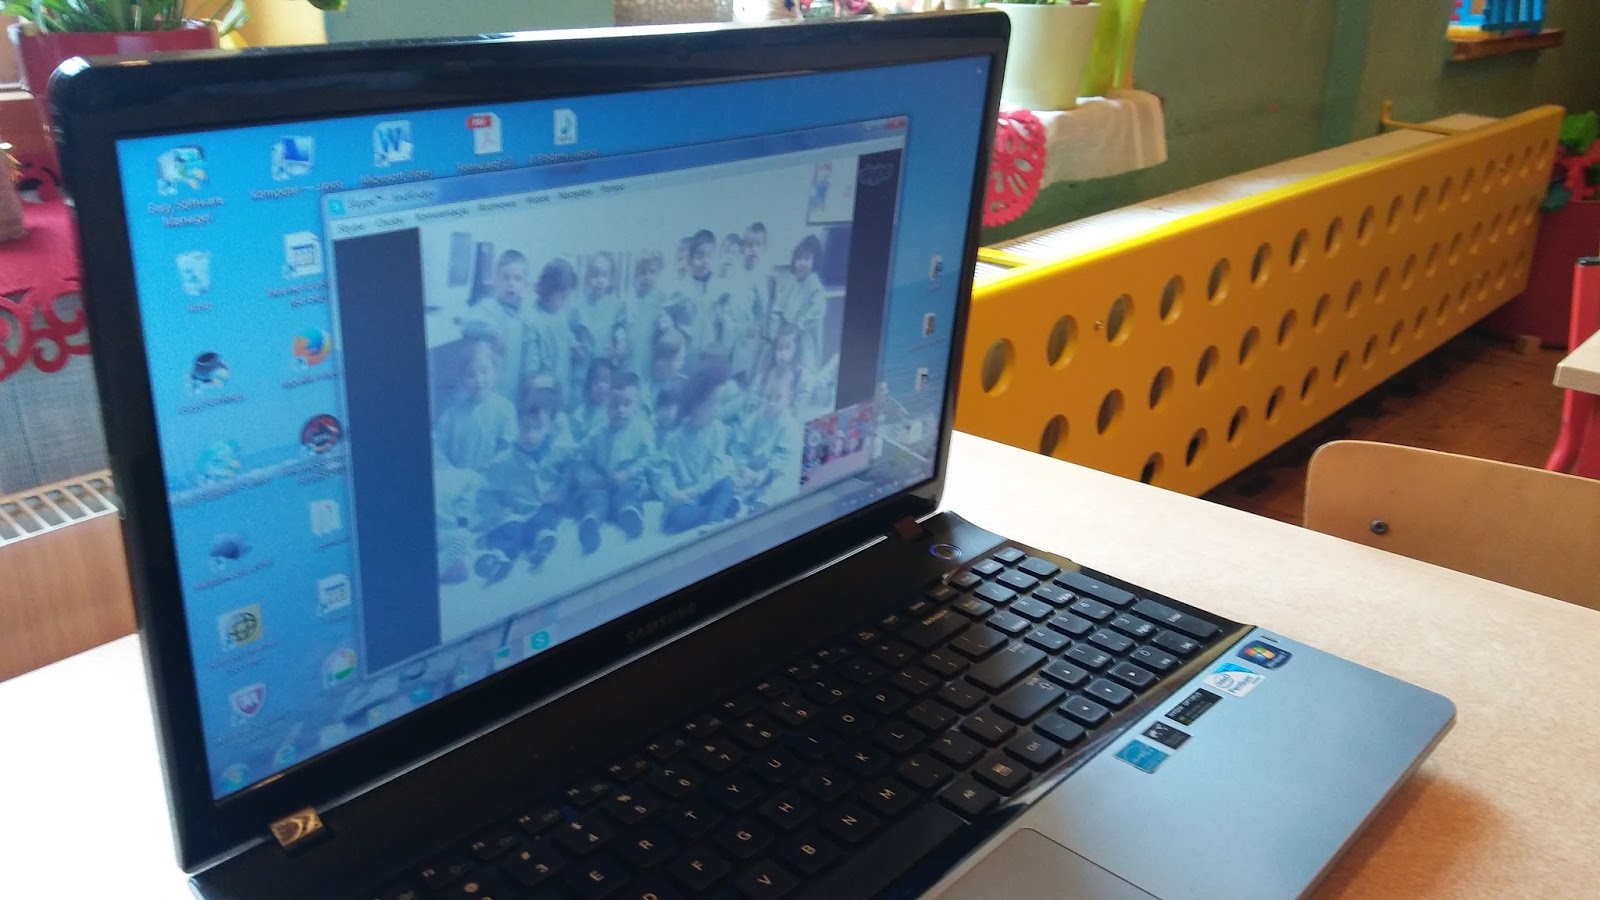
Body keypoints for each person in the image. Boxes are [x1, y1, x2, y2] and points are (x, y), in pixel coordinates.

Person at [476, 385, 578, 581]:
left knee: (547, 517)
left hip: (542, 506)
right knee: (511, 530)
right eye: (525, 428)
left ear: (549, 428)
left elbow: (573, 465)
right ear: (517, 425)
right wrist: (497, 509)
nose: (530, 435)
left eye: (537, 428)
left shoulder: (558, 450)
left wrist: (561, 490)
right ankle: (499, 558)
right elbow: (485, 490)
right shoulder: (504, 460)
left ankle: (541, 542)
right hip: (515, 510)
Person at [576, 370, 654, 553]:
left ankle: (629, 515)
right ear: (606, 406)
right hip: (603, 481)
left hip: (629, 481)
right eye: (614, 405)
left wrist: (629, 473)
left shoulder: (642, 429)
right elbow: (581, 459)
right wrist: (590, 478)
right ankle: (591, 523)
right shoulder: (597, 434)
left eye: (627, 404)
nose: (620, 410)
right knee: (596, 499)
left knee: (628, 496)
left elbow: (649, 459)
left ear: (637, 405)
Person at [659, 365, 740, 535]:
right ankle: (716, 511)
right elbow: (664, 471)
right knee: (677, 519)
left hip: (707, 487)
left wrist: (699, 489)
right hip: (686, 497)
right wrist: (674, 494)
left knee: (726, 483)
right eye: (712, 403)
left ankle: (713, 518)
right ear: (695, 405)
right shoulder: (674, 439)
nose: (718, 408)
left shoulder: (718, 430)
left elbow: (716, 466)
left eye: (720, 402)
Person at [433, 337, 517, 472]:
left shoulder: (505, 410)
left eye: (484, 371)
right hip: (458, 480)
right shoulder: (451, 416)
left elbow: (509, 449)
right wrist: (454, 474)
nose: (479, 379)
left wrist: (489, 471)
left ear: (495, 372)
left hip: (491, 478)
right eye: (471, 375)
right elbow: (439, 451)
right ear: (462, 379)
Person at [460, 249, 532, 399]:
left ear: (525, 284)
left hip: (514, 386)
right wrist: (491, 332)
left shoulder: (524, 314)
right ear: (496, 282)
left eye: (517, 279)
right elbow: (467, 324)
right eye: (505, 278)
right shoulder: (489, 307)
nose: (511, 284)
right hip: (489, 389)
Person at [730, 367, 802, 512]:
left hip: (773, 472)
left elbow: (783, 458)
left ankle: (763, 501)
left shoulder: (790, 426)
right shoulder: (756, 418)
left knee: (783, 483)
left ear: (789, 399)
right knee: (729, 475)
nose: (771, 403)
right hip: (752, 469)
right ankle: (739, 499)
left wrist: (764, 474)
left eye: (777, 398)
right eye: (767, 397)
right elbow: (739, 445)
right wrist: (744, 468)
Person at [571, 252, 626, 403]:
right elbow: (568, 332)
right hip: (582, 370)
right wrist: (573, 344)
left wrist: (620, 346)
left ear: (611, 279)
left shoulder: (616, 306)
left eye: (604, 276)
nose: (599, 280)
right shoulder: (577, 307)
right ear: (587, 277)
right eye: (595, 275)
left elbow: (620, 331)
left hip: (604, 372)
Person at [523, 257, 579, 401]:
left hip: (562, 390)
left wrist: (573, 345)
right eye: (563, 297)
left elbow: (565, 338)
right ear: (548, 290)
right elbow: (531, 371)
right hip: (541, 396)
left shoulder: (559, 315)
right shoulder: (532, 319)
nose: (565, 302)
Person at [767, 234, 826, 369]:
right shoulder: (791, 283)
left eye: (806, 259)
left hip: (805, 339)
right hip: (786, 339)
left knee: (803, 367)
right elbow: (778, 309)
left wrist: (798, 326)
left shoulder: (815, 285)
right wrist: (774, 334)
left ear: (814, 261)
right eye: (798, 258)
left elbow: (817, 311)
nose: (801, 263)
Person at [569, 358, 614, 444]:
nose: (601, 385)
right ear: (589, 384)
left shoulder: (616, 411)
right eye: (596, 381)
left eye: (605, 380)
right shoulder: (579, 415)